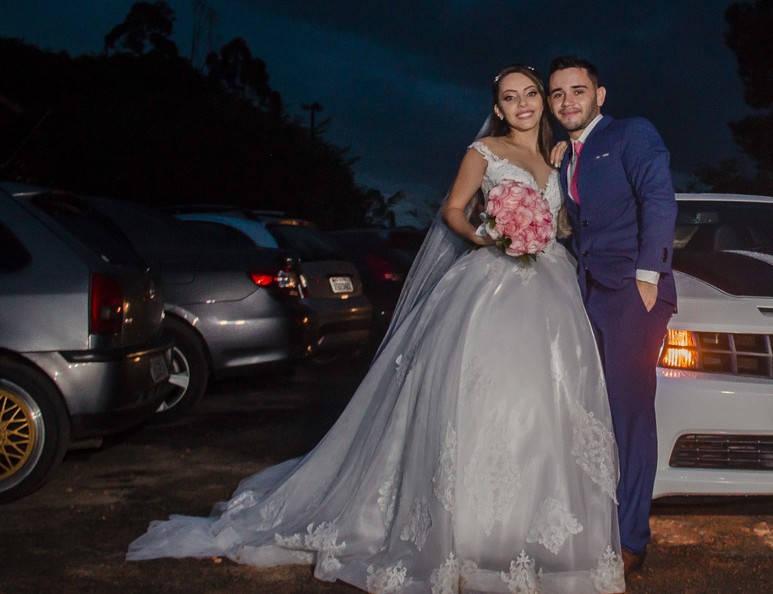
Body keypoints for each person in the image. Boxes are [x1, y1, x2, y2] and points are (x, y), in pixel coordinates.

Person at [127, 65, 625, 594]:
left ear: (542, 101)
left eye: (530, 94)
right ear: (497, 108)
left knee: (545, 402)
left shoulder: (559, 156)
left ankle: (528, 531)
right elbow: (453, 211)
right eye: (510, 97)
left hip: (551, 288)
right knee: (480, 397)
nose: (522, 104)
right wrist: (488, 236)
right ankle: (464, 532)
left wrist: (543, 223)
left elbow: (565, 221)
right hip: (491, 287)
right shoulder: (484, 153)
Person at [546, 56, 676, 576]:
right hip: (586, 294)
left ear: (599, 95)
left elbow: (659, 199)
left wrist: (648, 277)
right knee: (594, 413)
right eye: (557, 93)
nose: (567, 101)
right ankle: (600, 519)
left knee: (630, 415)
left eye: (578, 90)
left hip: (631, 293)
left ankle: (632, 538)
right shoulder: (565, 155)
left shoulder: (631, 133)